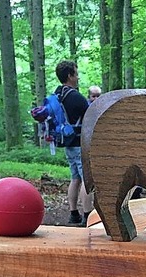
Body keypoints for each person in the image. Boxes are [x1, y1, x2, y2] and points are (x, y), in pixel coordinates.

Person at [55, 60, 94, 226]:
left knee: (75, 178)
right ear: (70, 76)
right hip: (80, 143)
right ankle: (87, 215)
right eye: (76, 74)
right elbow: (91, 116)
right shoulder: (75, 97)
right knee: (87, 179)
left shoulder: (58, 94)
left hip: (68, 143)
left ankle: (73, 214)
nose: (77, 77)